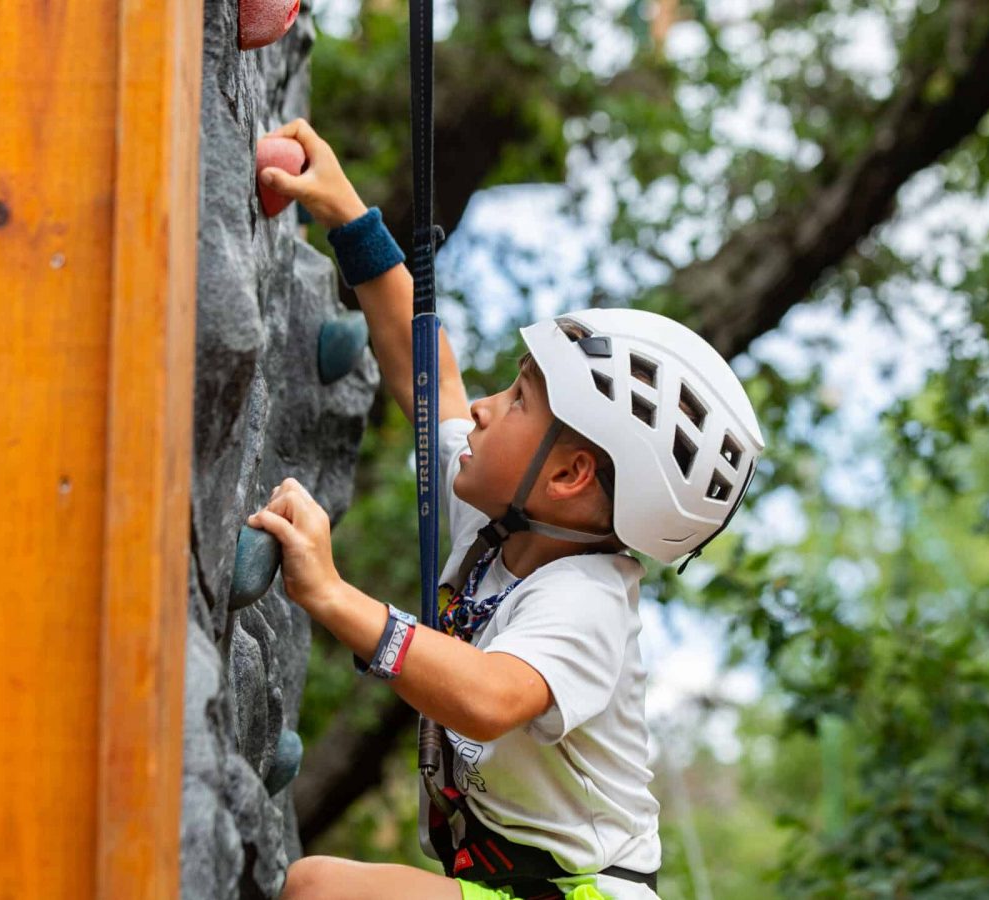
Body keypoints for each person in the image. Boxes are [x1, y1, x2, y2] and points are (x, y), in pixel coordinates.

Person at [248, 119, 765, 900]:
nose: (485, 410)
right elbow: (427, 375)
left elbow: (490, 698)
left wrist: (331, 595)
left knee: (325, 891)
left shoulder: (586, 599)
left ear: (567, 475)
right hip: (517, 887)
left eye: (518, 398)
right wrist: (349, 215)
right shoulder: (495, 528)